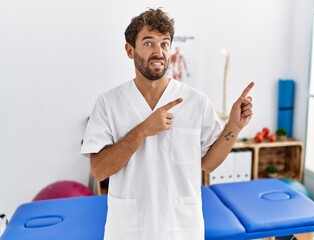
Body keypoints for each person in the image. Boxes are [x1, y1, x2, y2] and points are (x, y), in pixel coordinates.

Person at [81, 8, 254, 240]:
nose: (159, 51)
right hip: (130, 230)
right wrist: (143, 130)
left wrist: (234, 126)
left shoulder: (196, 101)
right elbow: (99, 169)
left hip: (181, 229)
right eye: (149, 43)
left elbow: (209, 164)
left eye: (164, 44)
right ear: (129, 50)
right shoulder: (109, 103)